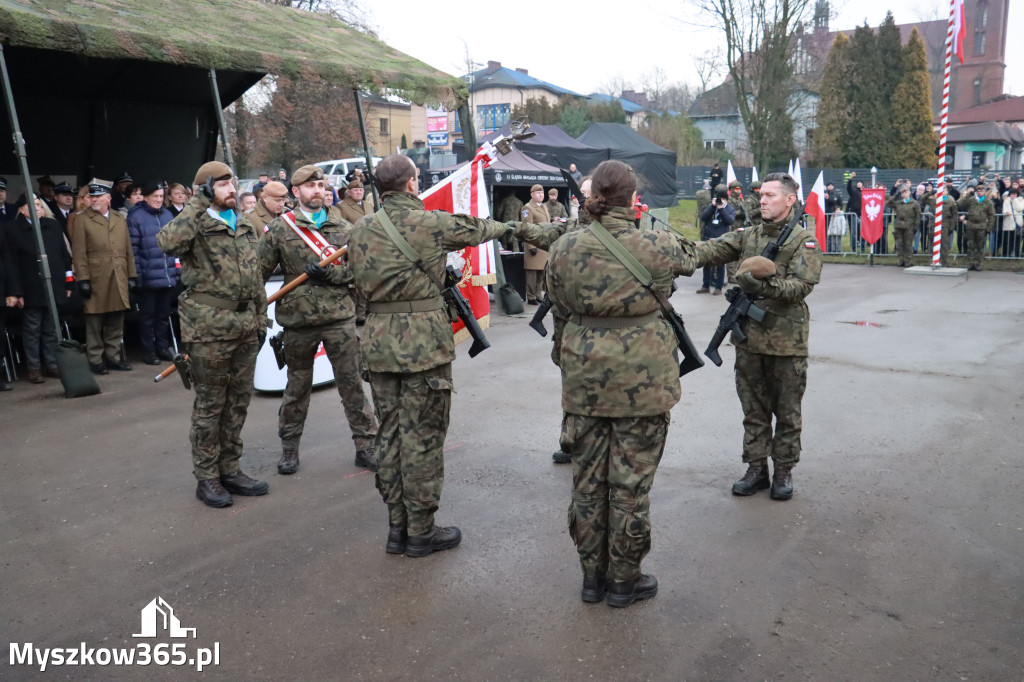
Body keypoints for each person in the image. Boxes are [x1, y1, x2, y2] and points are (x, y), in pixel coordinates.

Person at [347, 154, 540, 557]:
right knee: (423, 438)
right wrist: (513, 226)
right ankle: (421, 531)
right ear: (412, 184)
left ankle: (397, 528)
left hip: (378, 344)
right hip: (421, 346)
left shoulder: (361, 229)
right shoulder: (430, 223)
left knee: (390, 434)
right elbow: (479, 229)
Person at [545, 159, 699, 607]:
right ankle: (624, 581)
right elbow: (695, 257)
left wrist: (568, 355)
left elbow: (558, 309)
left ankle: (592, 578)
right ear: (633, 197)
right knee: (630, 485)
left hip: (583, 380)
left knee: (588, 483)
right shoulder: (658, 242)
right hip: (644, 382)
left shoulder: (566, 248)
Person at [691, 172, 822, 501]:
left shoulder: (803, 241)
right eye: (761, 195)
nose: (762, 200)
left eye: (770, 196)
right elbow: (709, 250)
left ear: (790, 200)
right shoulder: (747, 236)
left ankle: (784, 470)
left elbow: (800, 287)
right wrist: (668, 253)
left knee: (787, 411)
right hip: (749, 341)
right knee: (753, 409)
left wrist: (762, 286)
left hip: (785, 343)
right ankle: (756, 468)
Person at [156, 161, 270, 509]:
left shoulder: (246, 225)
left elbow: (256, 279)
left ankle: (230, 469)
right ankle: (207, 477)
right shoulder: (196, 223)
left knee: (237, 403)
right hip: (209, 330)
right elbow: (167, 243)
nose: (231, 190)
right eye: (221, 185)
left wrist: (261, 320)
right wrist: (197, 203)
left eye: (231, 183)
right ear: (205, 190)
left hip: (246, 326)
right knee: (210, 406)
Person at [258, 165, 379, 475]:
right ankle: (289, 449)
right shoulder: (281, 229)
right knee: (297, 387)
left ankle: (366, 446)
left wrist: (332, 274)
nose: (316, 190)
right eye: (309, 186)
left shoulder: (343, 228)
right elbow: (258, 272)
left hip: (339, 318)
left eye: (320, 184)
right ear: (296, 192)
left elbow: (360, 272)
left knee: (352, 384)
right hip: (298, 323)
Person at [3, 194, 73, 383]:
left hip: (54, 285)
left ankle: (51, 364)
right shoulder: (12, 229)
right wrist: (16, 291)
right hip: (30, 288)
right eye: (33, 205)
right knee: (32, 329)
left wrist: (69, 282)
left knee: (51, 328)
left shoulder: (53, 226)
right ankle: (34, 367)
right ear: (21, 209)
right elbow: (10, 263)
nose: (38, 208)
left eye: (39, 205)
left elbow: (64, 256)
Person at [71, 179, 137, 374]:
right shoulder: (82, 219)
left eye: (99, 196)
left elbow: (128, 250)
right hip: (96, 274)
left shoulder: (118, 218)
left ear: (108, 198)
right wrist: (83, 278)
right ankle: (95, 359)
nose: (94, 199)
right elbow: (79, 252)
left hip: (118, 272)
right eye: (92, 196)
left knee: (116, 318)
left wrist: (131, 274)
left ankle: (113, 356)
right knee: (95, 319)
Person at [127, 180, 179, 365]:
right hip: (148, 276)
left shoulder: (167, 215)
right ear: (146, 197)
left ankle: (163, 347)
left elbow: (174, 245)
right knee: (147, 317)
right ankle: (149, 351)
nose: (159, 200)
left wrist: (175, 271)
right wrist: (137, 276)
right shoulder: (135, 217)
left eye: (161, 196)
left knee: (163, 315)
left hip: (166, 276)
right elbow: (132, 250)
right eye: (155, 196)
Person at [695, 187, 734, 295]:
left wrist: (721, 209)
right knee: (706, 263)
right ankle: (705, 286)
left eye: (722, 199)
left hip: (721, 239)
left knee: (720, 264)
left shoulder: (730, 209)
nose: (720, 201)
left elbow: (729, 221)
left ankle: (718, 287)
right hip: (709, 238)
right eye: (718, 198)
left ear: (726, 200)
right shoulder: (712, 207)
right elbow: (703, 217)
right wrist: (712, 207)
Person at [521, 183, 550, 305]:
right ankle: (531, 296)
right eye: (538, 193)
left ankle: (538, 294)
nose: (541, 195)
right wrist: (531, 246)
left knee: (541, 272)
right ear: (532, 195)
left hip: (543, 244)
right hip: (534, 244)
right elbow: (526, 228)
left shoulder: (544, 206)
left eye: (542, 192)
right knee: (532, 273)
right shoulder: (527, 208)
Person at [957, 185, 995, 271]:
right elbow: (960, 203)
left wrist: (989, 228)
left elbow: (991, 216)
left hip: (981, 226)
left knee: (980, 246)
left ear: (985, 192)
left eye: (982, 191)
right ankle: (970, 263)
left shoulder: (988, 202)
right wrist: (968, 195)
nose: (980, 192)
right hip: (971, 225)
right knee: (970, 245)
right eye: (978, 191)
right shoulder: (971, 200)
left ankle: (978, 264)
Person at [887, 185, 921, 267]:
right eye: (902, 193)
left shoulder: (914, 203)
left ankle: (907, 261)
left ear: (909, 193)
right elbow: (888, 203)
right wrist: (896, 195)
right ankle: (901, 260)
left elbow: (918, 216)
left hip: (909, 226)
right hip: (899, 226)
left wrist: (915, 227)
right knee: (899, 244)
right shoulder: (899, 203)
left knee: (908, 244)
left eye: (905, 192)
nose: (904, 194)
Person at [928, 190, 957, 266]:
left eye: (944, 190)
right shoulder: (934, 200)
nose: (942, 192)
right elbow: (923, 199)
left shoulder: (950, 201)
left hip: (945, 224)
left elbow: (954, 215)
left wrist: (952, 226)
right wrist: (931, 193)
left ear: (947, 192)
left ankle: (943, 261)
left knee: (944, 244)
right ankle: (934, 260)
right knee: (933, 243)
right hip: (935, 224)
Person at [845, 173, 864, 252]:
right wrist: (850, 179)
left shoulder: (865, 192)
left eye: (860, 182)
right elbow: (849, 188)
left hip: (862, 214)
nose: (859, 183)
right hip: (854, 214)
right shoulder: (854, 191)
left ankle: (863, 247)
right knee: (853, 231)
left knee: (863, 231)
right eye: (858, 182)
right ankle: (854, 248)